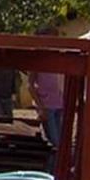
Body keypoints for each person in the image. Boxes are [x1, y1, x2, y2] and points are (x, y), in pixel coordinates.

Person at [28, 27, 64, 162]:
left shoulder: (58, 57)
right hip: (47, 105)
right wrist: (40, 106)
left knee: (61, 140)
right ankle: (51, 172)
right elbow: (30, 85)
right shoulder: (37, 58)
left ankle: (56, 170)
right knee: (54, 141)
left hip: (59, 103)